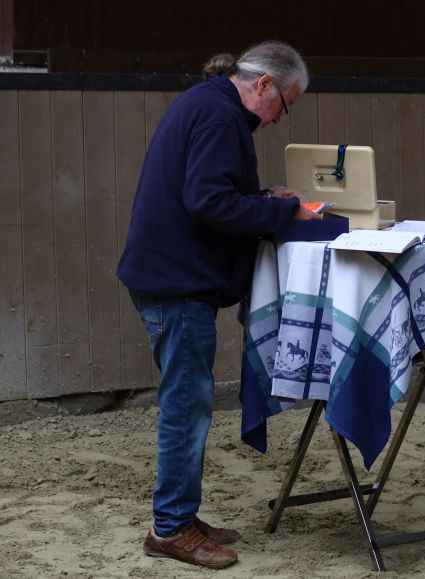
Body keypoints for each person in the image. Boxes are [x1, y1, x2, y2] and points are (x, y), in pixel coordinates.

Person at [117, 40, 320, 570]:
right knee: (187, 406)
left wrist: (264, 200)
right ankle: (170, 528)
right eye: (284, 105)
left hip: (169, 274)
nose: (278, 119)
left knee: (187, 401)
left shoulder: (208, 103)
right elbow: (209, 202)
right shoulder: (221, 116)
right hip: (178, 281)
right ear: (264, 84)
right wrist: (284, 215)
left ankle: (179, 516)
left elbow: (212, 193)